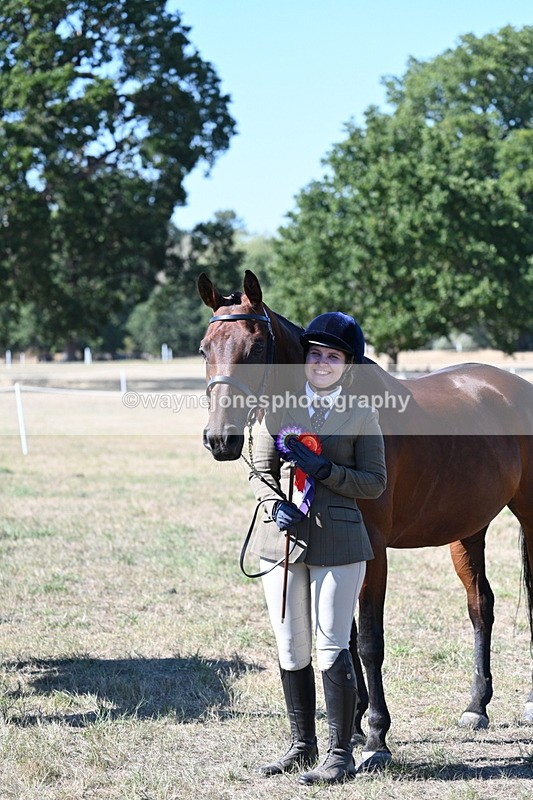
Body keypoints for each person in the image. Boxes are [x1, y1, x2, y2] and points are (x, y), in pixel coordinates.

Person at [248, 311, 387, 785]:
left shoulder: (361, 412)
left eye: (333, 356)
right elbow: (260, 472)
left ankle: (339, 753)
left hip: (341, 538)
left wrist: (326, 472)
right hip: (281, 543)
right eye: (315, 354)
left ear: (347, 366)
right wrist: (274, 505)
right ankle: (300, 745)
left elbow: (374, 483)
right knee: (291, 647)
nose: (321, 363)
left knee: (331, 645)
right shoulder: (277, 408)